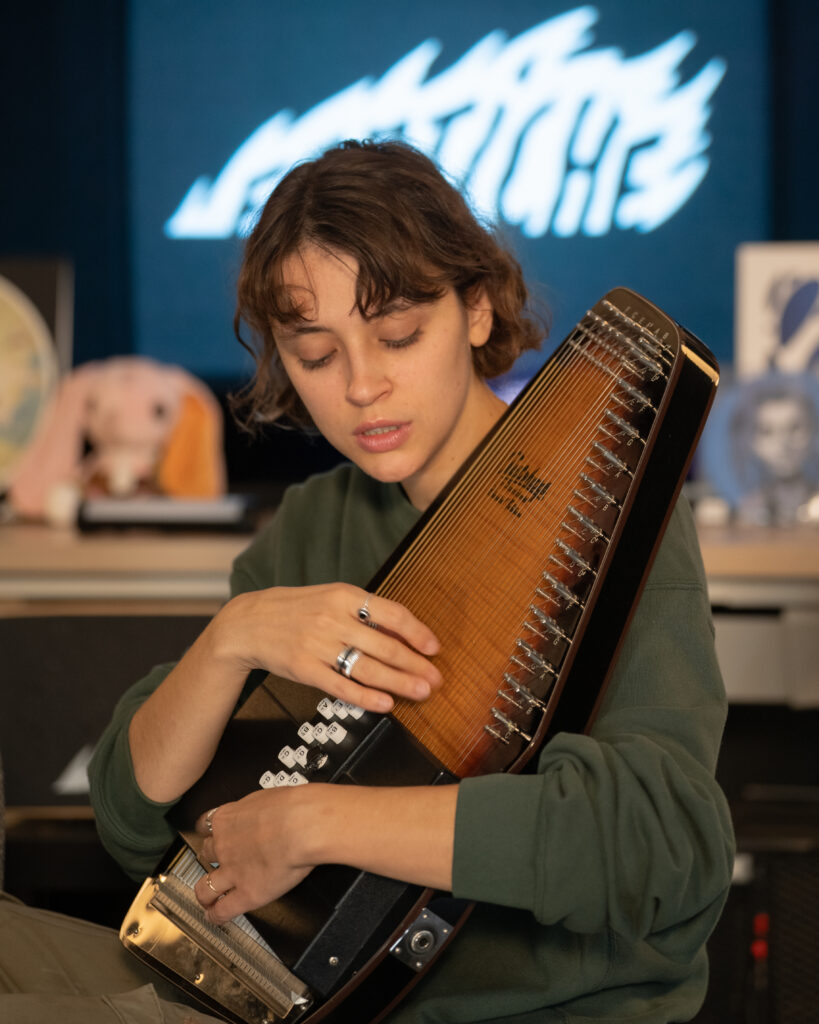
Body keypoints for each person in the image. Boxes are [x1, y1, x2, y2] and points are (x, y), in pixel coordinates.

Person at [1, 140, 734, 1024]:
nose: (361, 386)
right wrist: (233, 638)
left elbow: (662, 847)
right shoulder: (315, 522)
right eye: (315, 355)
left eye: (397, 336)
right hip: (259, 987)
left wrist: (317, 823)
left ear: (477, 309)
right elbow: (132, 826)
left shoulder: (602, 504)